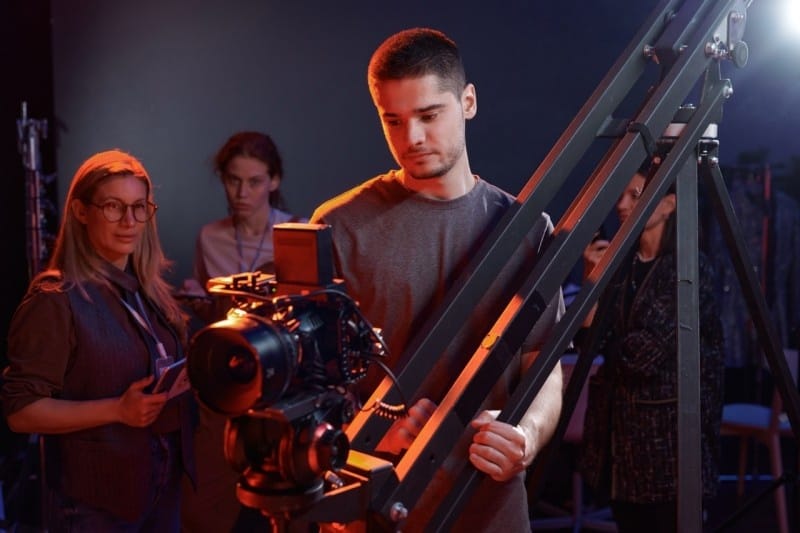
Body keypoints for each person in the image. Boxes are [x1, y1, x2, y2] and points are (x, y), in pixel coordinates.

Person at [309, 28, 564, 531]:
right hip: (373, 506)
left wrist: (526, 436)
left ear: (467, 102)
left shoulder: (525, 228)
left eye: (429, 115)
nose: (412, 138)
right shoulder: (339, 225)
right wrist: (371, 432)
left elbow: (544, 364)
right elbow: (307, 385)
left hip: (488, 504)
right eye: (394, 121)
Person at [1, 149, 195, 532]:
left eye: (139, 207)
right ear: (80, 211)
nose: (129, 221)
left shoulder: (146, 290)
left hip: (159, 488)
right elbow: (20, 413)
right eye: (112, 206)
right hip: (95, 506)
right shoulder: (56, 298)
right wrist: (116, 410)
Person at [578, 156, 725, 532]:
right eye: (621, 194)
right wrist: (593, 284)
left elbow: (640, 357)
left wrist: (602, 329)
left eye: (635, 194)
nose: (622, 205)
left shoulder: (689, 270)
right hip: (619, 447)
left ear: (668, 203)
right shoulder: (621, 265)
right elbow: (587, 342)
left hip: (666, 450)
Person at [180, 131, 305, 533]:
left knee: (287, 499)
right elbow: (210, 305)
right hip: (228, 381)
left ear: (274, 181)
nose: (241, 191)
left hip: (283, 382)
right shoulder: (209, 236)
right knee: (212, 505)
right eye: (233, 180)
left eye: (253, 181)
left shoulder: (296, 234)